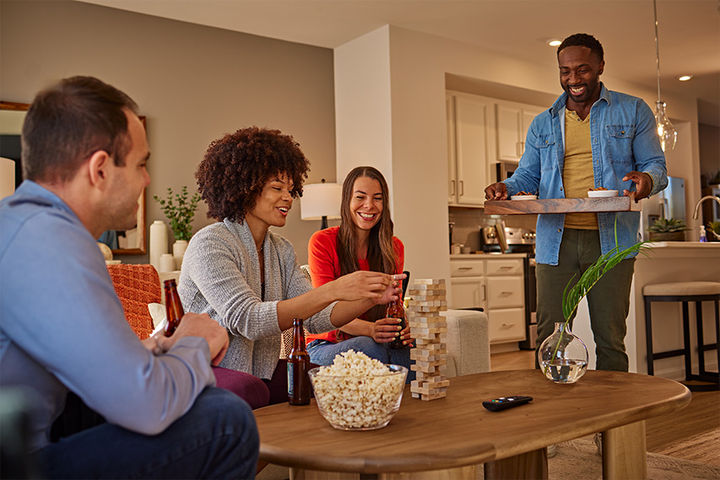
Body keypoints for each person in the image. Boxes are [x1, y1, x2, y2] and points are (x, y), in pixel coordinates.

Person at [0, 76, 258, 479]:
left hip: (33, 429)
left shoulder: (25, 227)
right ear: (100, 169)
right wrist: (195, 343)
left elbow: (69, 358)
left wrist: (152, 350)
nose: (147, 180)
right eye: (141, 164)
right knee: (225, 420)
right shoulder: (50, 243)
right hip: (17, 464)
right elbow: (147, 405)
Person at [179, 127, 403, 404]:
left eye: (290, 189)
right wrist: (333, 290)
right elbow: (247, 320)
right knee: (252, 390)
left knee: (325, 382)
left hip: (260, 371)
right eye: (277, 188)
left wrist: (369, 298)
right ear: (245, 189)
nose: (288, 197)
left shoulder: (280, 249)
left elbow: (315, 318)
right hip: (206, 369)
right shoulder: (210, 243)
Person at [484, 33, 667, 372]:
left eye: (581, 70)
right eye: (564, 71)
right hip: (557, 240)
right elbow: (527, 177)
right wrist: (504, 188)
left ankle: (613, 421)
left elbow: (656, 166)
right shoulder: (543, 123)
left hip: (612, 242)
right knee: (550, 337)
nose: (573, 80)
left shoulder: (633, 110)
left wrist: (647, 180)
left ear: (600, 66)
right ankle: (558, 417)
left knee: (610, 338)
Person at [305, 166, 414, 381]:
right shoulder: (322, 242)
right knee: (368, 347)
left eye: (377, 198)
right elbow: (323, 312)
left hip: (375, 339)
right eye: (360, 197)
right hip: (325, 345)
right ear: (347, 200)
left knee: (411, 350)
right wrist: (370, 329)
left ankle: (411, 410)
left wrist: (401, 327)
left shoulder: (393, 247)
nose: (369, 206)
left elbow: (394, 303)